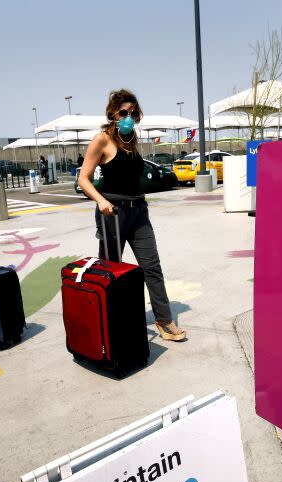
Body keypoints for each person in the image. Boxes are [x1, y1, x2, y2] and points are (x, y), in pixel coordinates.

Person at [78, 89, 186, 342]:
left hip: (139, 212)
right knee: (110, 271)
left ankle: (164, 319)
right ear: (113, 114)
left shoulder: (133, 139)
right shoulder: (101, 140)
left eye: (133, 113)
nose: (129, 117)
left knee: (152, 268)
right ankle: (109, 322)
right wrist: (101, 200)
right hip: (113, 214)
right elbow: (83, 178)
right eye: (124, 112)